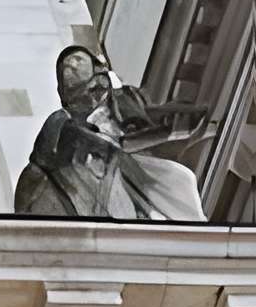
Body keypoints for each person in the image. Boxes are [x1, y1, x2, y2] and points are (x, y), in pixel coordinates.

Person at [16, 46, 212, 222]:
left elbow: (142, 124)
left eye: (78, 60)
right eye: (66, 68)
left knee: (179, 179)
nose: (71, 66)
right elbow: (41, 162)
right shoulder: (63, 122)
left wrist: (175, 127)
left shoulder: (122, 99)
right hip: (98, 174)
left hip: (130, 164)